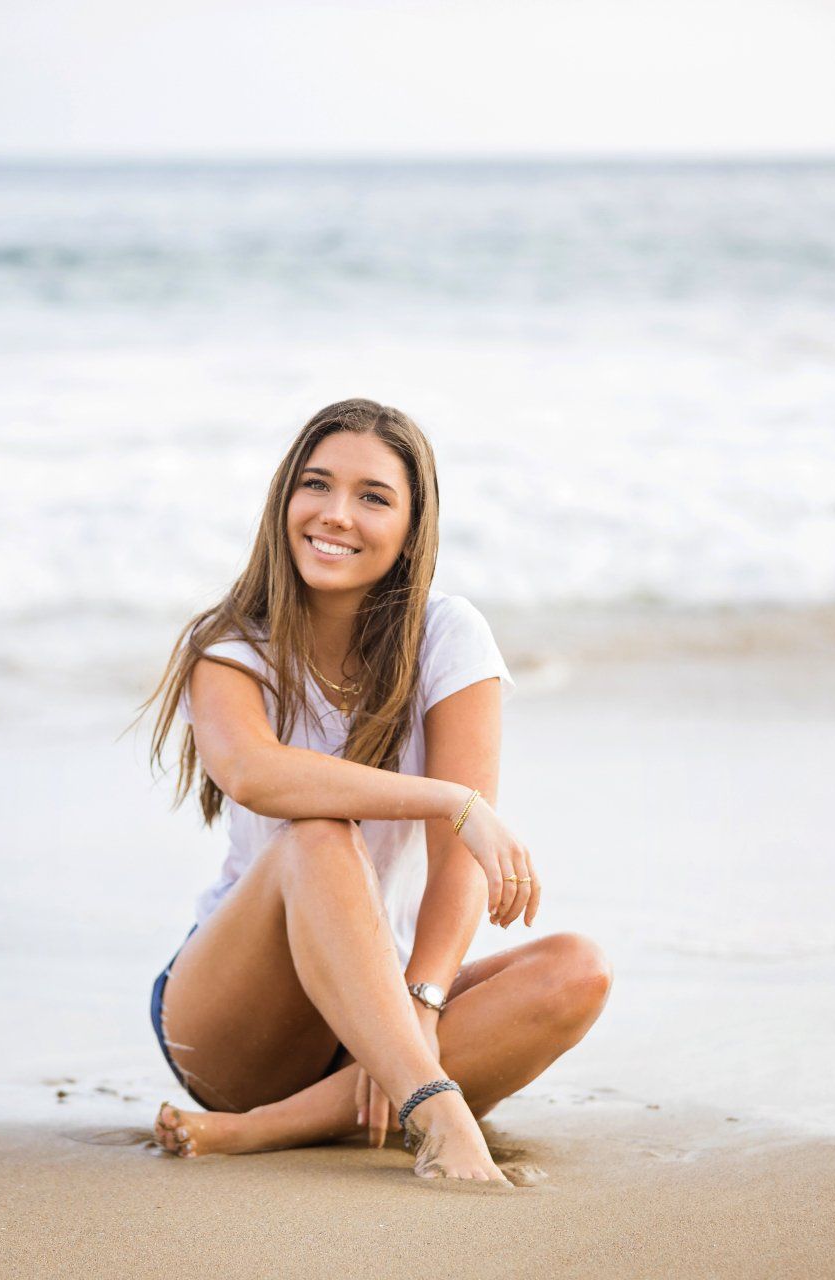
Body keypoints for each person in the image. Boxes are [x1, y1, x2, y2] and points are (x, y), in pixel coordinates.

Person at [137, 398, 612, 1183]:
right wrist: (449, 801)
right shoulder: (227, 647)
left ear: (411, 526)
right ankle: (439, 1115)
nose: (336, 515)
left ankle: (266, 1131)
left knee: (578, 969)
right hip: (236, 1017)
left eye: (373, 497)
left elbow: (457, 868)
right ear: (284, 499)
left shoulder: (449, 636)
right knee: (319, 834)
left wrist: (424, 995)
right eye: (316, 485)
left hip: (374, 1002)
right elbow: (258, 775)